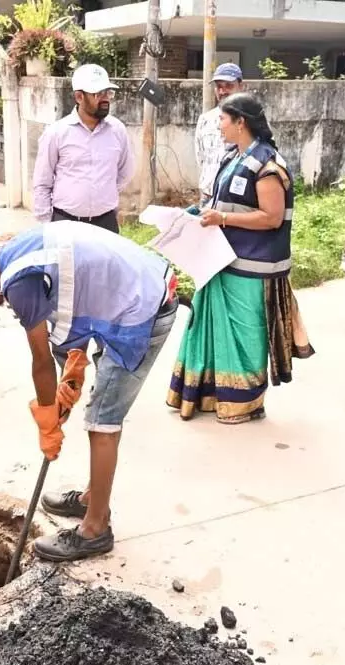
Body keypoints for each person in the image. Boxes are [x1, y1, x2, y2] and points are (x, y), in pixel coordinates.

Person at [0, 221, 178, 562]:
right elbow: (70, 300)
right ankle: (92, 498)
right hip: (131, 292)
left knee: (103, 422)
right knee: (100, 416)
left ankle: (96, 529)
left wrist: (48, 422)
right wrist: (69, 375)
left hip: (142, 309)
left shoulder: (19, 284)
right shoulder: (14, 253)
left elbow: (40, 360)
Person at [168, 92, 314, 424]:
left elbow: (271, 217)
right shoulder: (232, 157)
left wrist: (223, 220)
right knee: (209, 329)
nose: (218, 125)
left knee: (247, 335)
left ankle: (245, 403)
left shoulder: (267, 165)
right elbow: (224, 202)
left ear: (240, 122)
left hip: (253, 268)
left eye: (222, 119)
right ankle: (210, 395)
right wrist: (197, 214)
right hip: (222, 261)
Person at [32, 64, 133, 233]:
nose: (105, 99)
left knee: (105, 261)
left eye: (108, 93)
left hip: (105, 224)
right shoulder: (57, 133)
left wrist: (103, 193)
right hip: (65, 223)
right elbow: (42, 183)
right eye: (98, 94)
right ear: (79, 97)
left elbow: (125, 172)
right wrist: (46, 224)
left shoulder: (117, 130)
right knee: (68, 261)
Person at [194, 63, 244, 205]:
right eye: (219, 86)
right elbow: (200, 158)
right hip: (208, 196)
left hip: (237, 199)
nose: (222, 91)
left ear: (241, 86)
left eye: (228, 85)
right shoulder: (205, 120)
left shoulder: (250, 120)